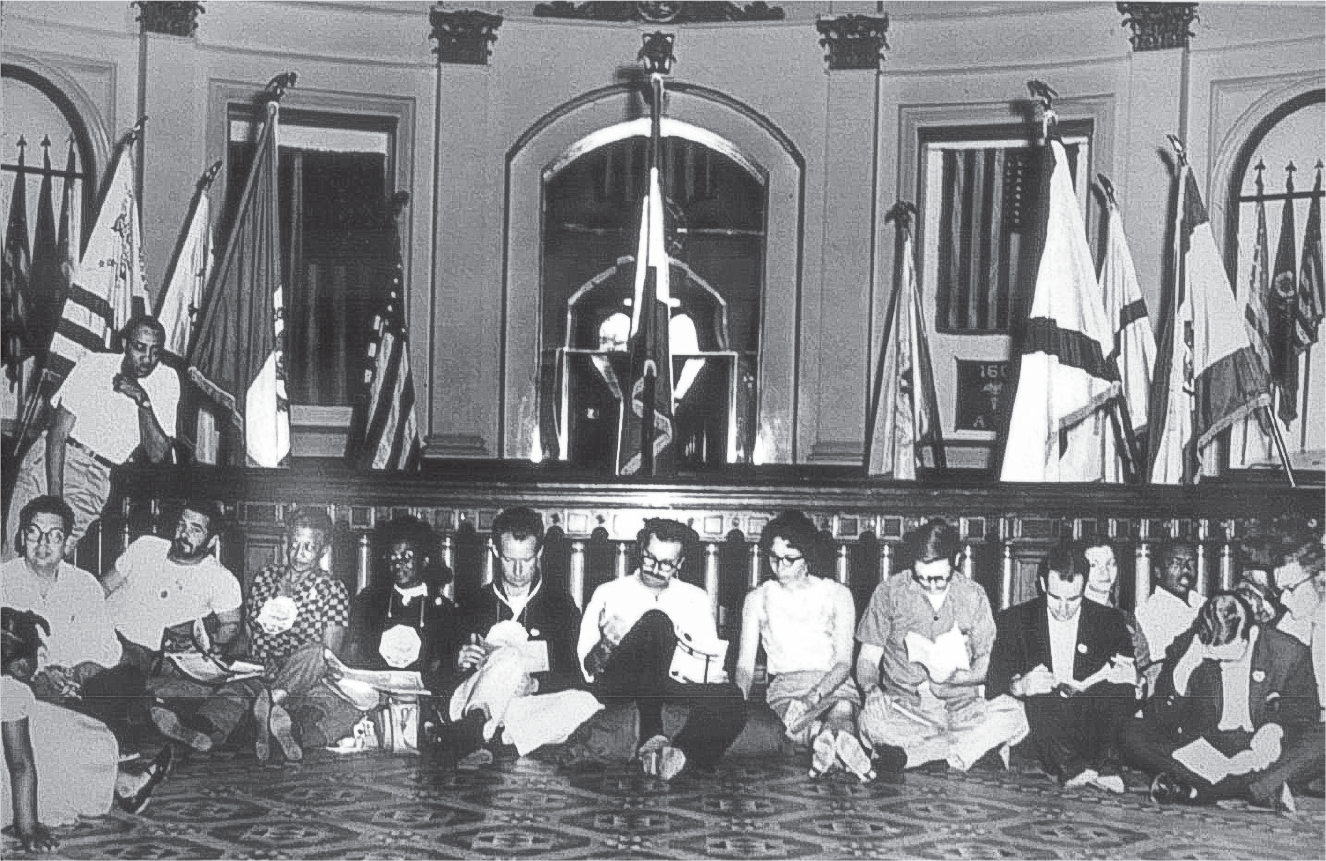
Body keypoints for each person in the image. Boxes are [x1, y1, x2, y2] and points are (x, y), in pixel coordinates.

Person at [152, 508, 353, 762]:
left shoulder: (332, 589)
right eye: (294, 544)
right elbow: (249, 633)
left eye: (308, 548)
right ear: (286, 541)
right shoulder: (266, 577)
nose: (298, 554)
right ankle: (200, 732)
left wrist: (287, 670)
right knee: (232, 694)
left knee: (320, 661)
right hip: (260, 671)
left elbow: (329, 653)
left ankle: (274, 710)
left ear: (323, 551)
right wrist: (228, 659)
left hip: (302, 678)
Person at [577, 518, 747, 780]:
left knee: (733, 696)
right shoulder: (609, 592)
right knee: (656, 620)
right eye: (649, 559)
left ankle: (679, 756)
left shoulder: (696, 597)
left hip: (671, 683)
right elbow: (586, 670)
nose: (655, 569)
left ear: (679, 564)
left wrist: (715, 679)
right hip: (622, 683)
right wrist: (608, 643)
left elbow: (709, 658)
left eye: (666, 564)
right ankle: (652, 734)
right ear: (640, 551)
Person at [855, 518, 1028, 773]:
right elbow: (867, 659)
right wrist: (871, 691)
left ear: (955, 561)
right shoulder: (889, 592)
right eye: (922, 578)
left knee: (1016, 713)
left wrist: (958, 679)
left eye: (939, 579)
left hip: (962, 710)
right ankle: (964, 751)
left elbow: (986, 664)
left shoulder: (973, 595)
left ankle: (919, 755)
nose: (931, 586)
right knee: (870, 721)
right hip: (907, 709)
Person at [1119, 593, 1320, 810]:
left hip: (1261, 744)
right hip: (1207, 746)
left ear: (1251, 634)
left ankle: (1204, 790)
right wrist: (1183, 669)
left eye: (1231, 656)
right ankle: (1258, 786)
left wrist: (1276, 729)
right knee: (1131, 732)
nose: (1223, 663)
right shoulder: (1189, 646)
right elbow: (1159, 719)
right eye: (1215, 657)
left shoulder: (1289, 652)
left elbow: (1305, 714)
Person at [3, 315, 179, 560]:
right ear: (125, 343)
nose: (147, 359)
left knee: (51, 560)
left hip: (96, 478)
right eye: (140, 347)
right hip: (51, 462)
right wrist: (56, 501)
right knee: (17, 554)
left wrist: (143, 400)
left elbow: (158, 453)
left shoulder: (167, 380)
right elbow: (58, 434)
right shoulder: (95, 365)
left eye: (155, 351)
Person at [438, 507, 601, 766]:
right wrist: (458, 662)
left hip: (525, 707)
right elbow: (439, 673)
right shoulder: (473, 603)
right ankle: (477, 725)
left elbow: (575, 674)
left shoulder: (560, 606)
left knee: (585, 702)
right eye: (508, 559)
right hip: (469, 702)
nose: (517, 570)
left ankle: (491, 739)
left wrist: (536, 685)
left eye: (526, 560)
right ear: (494, 552)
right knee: (509, 655)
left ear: (539, 554)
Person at [2, 607, 170, 846]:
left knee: (60, 729)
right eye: (38, 656)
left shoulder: (13, 689)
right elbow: (20, 765)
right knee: (82, 739)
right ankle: (121, 783)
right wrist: (28, 829)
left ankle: (122, 782)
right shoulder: (11, 691)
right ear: (19, 664)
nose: (42, 662)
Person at [735, 511, 873, 781]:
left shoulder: (837, 594)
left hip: (833, 684)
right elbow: (744, 666)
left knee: (842, 708)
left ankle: (831, 742)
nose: (780, 566)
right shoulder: (758, 598)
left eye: (789, 559)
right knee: (795, 725)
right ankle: (832, 743)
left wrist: (813, 697)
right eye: (774, 558)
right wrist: (735, 703)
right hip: (786, 688)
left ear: (807, 557)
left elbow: (844, 663)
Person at [987, 545, 1137, 792]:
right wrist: (1021, 684)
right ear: (1044, 585)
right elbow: (994, 683)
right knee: (1039, 690)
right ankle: (1070, 767)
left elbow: (1131, 673)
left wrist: (1130, 677)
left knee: (1120, 691)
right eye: (1056, 598)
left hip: (1093, 718)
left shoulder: (1109, 620)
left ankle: (1108, 764)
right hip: (1046, 724)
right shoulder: (1015, 620)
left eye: (1074, 599)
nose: (1064, 609)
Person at [0, 496, 138, 748]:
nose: (43, 543)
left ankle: (72, 729)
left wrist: (76, 672)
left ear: (67, 544)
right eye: (34, 533)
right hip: (23, 684)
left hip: (75, 685)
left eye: (54, 535)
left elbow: (105, 647)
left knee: (127, 677)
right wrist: (40, 673)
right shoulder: (4, 581)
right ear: (21, 539)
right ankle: (92, 739)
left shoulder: (84, 584)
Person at [104, 499, 242, 673]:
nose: (184, 533)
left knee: (105, 667)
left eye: (195, 529)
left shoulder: (220, 579)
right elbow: (104, 588)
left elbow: (231, 624)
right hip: (101, 628)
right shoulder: (146, 546)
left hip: (138, 651)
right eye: (181, 525)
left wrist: (212, 650)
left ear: (211, 541)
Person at [1080, 539, 1155, 691]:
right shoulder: (1071, 614)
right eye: (1094, 565)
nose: (1105, 571)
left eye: (1110, 564)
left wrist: (1136, 678)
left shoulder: (1126, 619)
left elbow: (1144, 666)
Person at [1134, 541, 1202, 661]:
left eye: (1191, 562)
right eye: (1176, 563)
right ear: (1158, 571)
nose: (1186, 569)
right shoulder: (1147, 613)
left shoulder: (1203, 603)